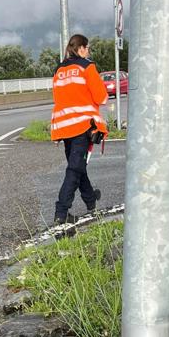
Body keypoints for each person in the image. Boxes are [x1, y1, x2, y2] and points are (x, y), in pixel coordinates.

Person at [50, 34, 110, 226]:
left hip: (64, 127)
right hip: (83, 126)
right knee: (74, 169)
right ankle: (61, 212)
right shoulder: (86, 66)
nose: (89, 51)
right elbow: (101, 97)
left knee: (78, 165)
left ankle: (91, 199)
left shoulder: (59, 70)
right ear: (82, 48)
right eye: (88, 48)